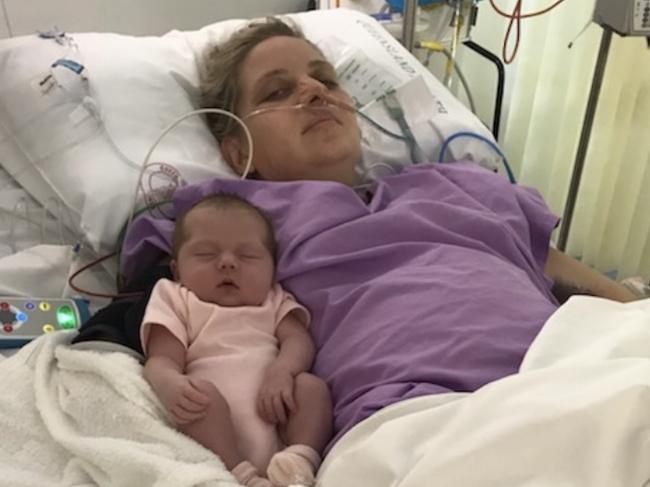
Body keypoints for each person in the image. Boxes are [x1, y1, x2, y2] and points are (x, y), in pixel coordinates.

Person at [74, 14, 637, 476]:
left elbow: (607, 301)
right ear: (232, 147)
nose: (314, 90)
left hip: (575, 364)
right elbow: (151, 322)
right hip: (424, 420)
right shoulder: (239, 225)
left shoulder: (465, 184)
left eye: (325, 79)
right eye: (279, 90)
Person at [140, 193, 332, 487]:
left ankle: (300, 459)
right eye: (206, 254)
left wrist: (283, 370)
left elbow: (298, 340)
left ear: (271, 271)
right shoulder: (177, 297)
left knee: (311, 388)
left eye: (247, 256)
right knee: (198, 397)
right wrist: (169, 383)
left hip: (277, 408)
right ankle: (240, 475)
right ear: (178, 270)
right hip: (213, 428)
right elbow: (162, 359)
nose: (228, 263)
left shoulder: (272, 299)